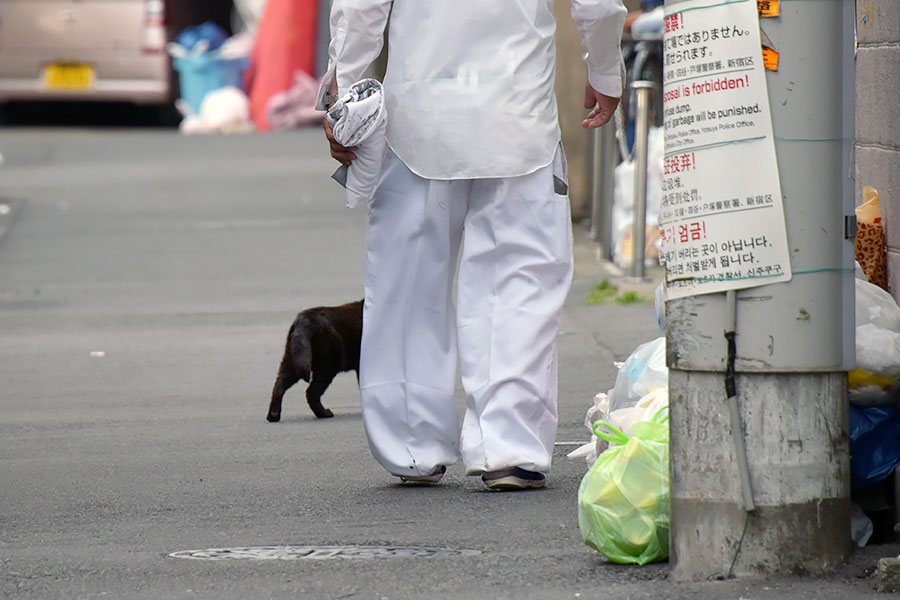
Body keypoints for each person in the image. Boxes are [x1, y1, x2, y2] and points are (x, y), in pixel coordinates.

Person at [320, 0, 626, 490]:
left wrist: (344, 88)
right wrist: (606, 69)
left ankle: (411, 446)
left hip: (419, 112)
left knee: (408, 285)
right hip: (517, 112)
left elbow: (362, 5)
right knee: (521, 280)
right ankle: (509, 447)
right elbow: (598, 4)